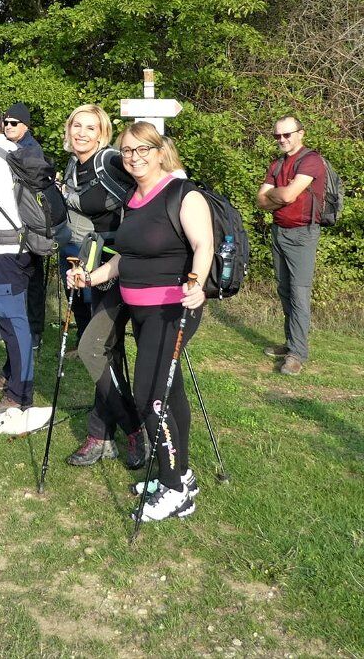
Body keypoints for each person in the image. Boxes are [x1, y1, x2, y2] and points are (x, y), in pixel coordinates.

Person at [67, 122, 213, 523]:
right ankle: (181, 474)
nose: (133, 157)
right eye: (127, 151)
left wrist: (196, 284)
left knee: (154, 396)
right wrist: (90, 277)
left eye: (142, 149)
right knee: (172, 393)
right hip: (143, 310)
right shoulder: (134, 198)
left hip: (172, 310)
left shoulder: (183, 194)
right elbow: (124, 258)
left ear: (160, 150)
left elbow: (204, 245)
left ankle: (174, 490)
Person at [57, 105, 147, 469]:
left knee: (95, 347)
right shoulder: (73, 166)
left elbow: (151, 186)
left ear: (102, 133)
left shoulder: (109, 160)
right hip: (89, 267)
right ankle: (103, 434)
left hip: (123, 269)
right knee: (102, 352)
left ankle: (128, 428)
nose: (81, 132)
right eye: (76, 125)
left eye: (89, 127)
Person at [0, 103, 53, 435]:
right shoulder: (16, 149)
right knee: (20, 320)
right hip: (28, 244)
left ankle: (19, 396)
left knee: (11, 321)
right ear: (1, 125)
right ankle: (11, 377)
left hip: (3, 248)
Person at [257, 115, 327, 376]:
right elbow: (261, 201)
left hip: (302, 234)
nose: (282, 140)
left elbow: (284, 194)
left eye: (287, 134)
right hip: (279, 231)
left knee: (299, 293)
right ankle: (290, 344)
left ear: (301, 133)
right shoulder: (277, 164)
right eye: (278, 136)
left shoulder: (311, 161)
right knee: (285, 290)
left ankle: (297, 354)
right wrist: (282, 194)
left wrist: (279, 193)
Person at [0, 102, 49, 351]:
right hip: (10, 221)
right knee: (7, 279)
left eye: (13, 123)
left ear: (25, 126)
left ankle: (36, 330)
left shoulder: (31, 150)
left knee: (33, 279)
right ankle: (4, 327)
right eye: (5, 122)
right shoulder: (4, 146)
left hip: (28, 223)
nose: (8, 126)